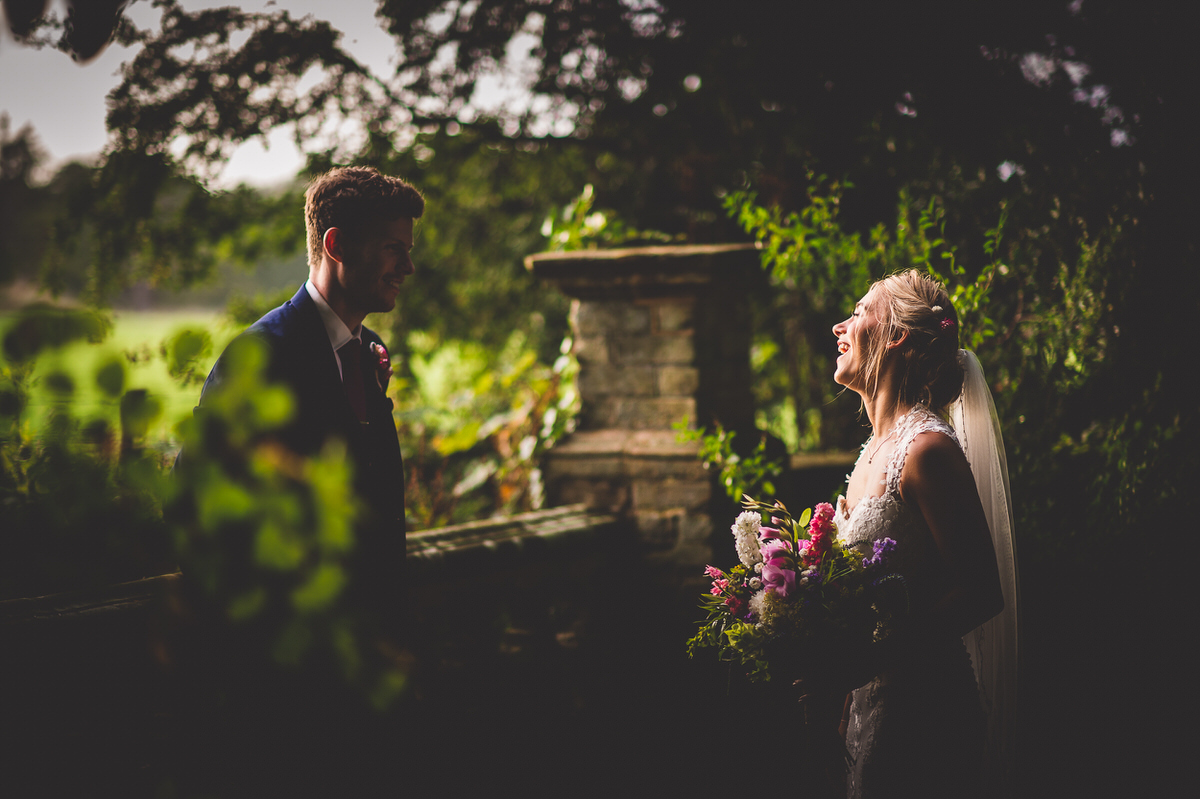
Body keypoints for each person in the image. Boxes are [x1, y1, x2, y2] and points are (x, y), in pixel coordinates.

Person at [194, 165, 424, 609]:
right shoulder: (259, 357)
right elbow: (201, 506)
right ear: (336, 245)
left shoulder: (369, 348)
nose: (408, 267)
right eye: (394, 249)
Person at [828, 269, 1019, 798]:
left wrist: (875, 654)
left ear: (895, 336)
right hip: (870, 708)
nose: (840, 326)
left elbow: (982, 593)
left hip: (925, 714)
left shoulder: (927, 450)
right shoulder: (871, 453)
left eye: (859, 311)